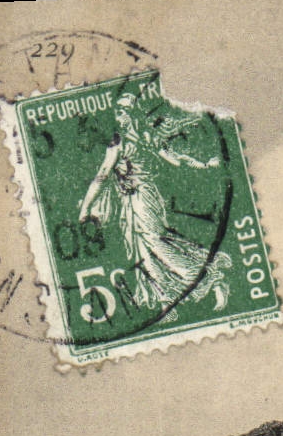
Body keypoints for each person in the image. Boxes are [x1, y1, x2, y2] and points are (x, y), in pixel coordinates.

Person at [79, 92, 232, 312]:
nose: (120, 115)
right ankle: (164, 300)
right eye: (118, 111)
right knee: (143, 249)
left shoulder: (129, 140)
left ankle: (207, 277)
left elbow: (104, 175)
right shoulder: (138, 137)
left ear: (132, 113)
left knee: (155, 242)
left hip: (143, 198)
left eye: (124, 111)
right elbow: (172, 159)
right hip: (130, 200)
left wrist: (205, 165)